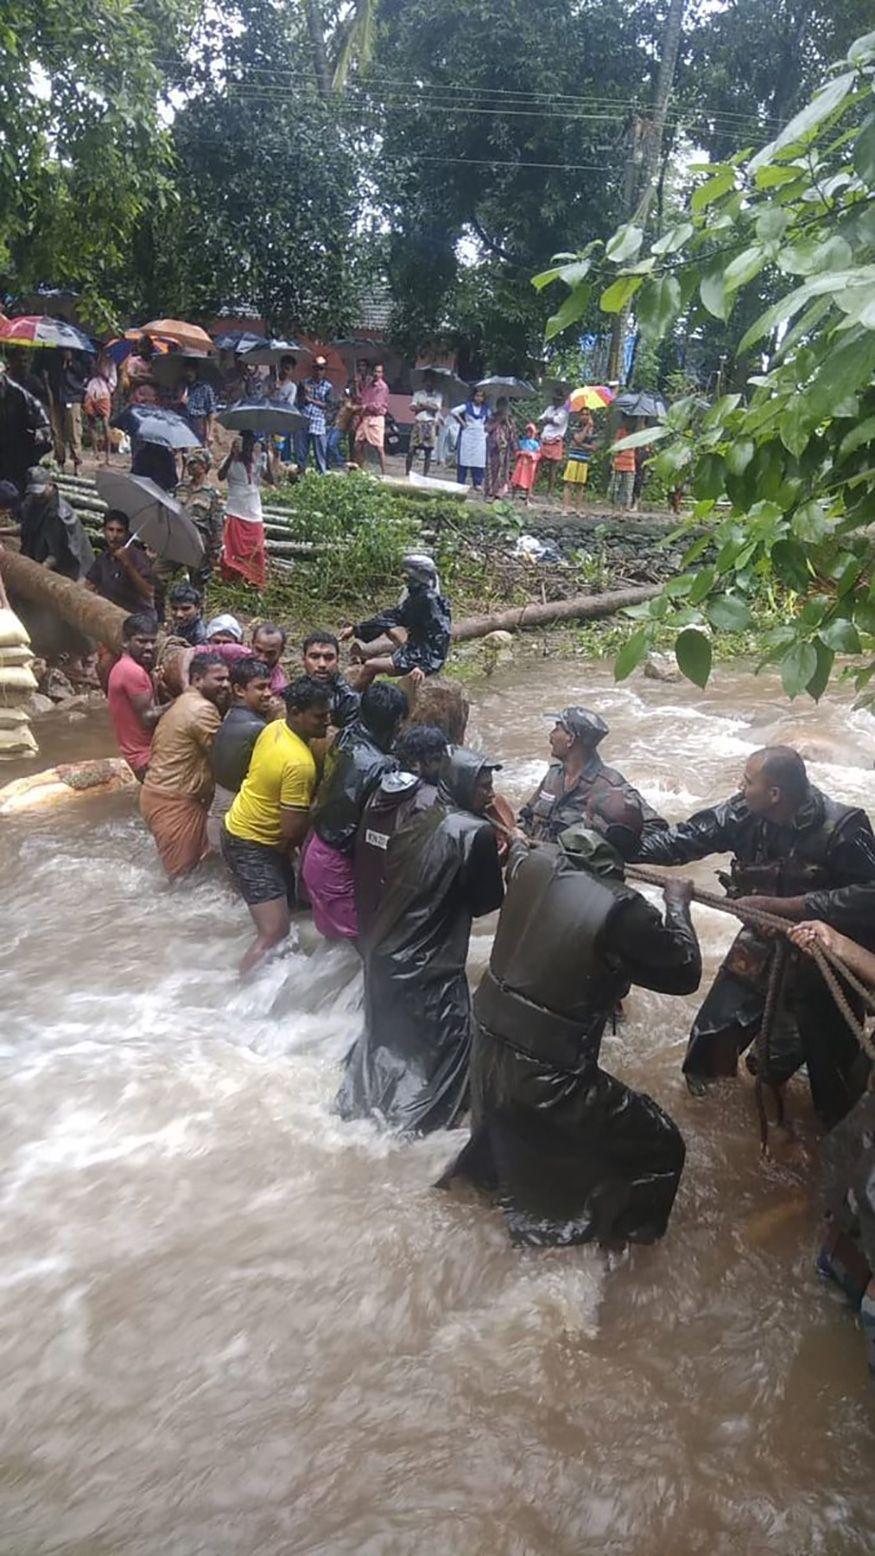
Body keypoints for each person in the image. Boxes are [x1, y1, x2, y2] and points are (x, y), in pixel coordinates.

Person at [439, 798, 701, 1247]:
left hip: (484, 1053)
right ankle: (621, 1245)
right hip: (546, 1076)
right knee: (663, 1146)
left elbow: (524, 856)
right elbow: (685, 972)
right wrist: (677, 905)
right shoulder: (624, 909)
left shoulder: (528, 862)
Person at [635, 746, 875, 1128]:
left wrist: (789, 906)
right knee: (709, 1045)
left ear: (775, 794)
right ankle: (706, 1127)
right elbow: (685, 839)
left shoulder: (843, 828)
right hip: (762, 943)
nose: (739, 786)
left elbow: (870, 894)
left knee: (835, 1089)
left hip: (824, 955)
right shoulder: (742, 813)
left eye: (748, 782)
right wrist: (617, 847)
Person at [337, 746, 505, 1134]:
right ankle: (409, 1132)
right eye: (483, 787)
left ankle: (364, 1120)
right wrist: (500, 860)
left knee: (389, 1048)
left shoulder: (417, 814)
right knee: (442, 1054)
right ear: (462, 785)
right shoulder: (474, 832)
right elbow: (486, 902)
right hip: (427, 965)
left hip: (384, 952)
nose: (490, 795)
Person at [222, 676, 330, 974]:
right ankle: (236, 995)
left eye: (328, 713)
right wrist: (323, 811)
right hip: (252, 844)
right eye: (319, 716)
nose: (327, 722)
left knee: (291, 913)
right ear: (295, 712)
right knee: (274, 932)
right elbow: (291, 830)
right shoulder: (300, 764)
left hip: (239, 825)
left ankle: (281, 981)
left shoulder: (273, 728)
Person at [302, 682, 407, 941]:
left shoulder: (346, 736)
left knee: (337, 943)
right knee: (365, 943)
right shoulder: (382, 767)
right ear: (397, 722)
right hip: (335, 865)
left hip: (317, 849)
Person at [139, 650, 231, 879]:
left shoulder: (184, 701)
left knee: (200, 862)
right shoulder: (201, 709)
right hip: (173, 801)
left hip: (164, 795)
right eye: (219, 679)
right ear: (198, 679)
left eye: (228, 679)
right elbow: (225, 758)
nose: (226, 685)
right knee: (182, 879)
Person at [353, 724, 448, 941]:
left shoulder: (378, 790)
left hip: (370, 911)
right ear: (416, 764)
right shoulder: (429, 802)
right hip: (406, 921)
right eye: (438, 760)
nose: (444, 766)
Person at [519, 706, 665, 846]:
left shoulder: (610, 784)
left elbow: (656, 828)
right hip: (540, 864)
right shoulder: (553, 776)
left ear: (570, 739)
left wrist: (609, 846)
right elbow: (527, 816)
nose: (550, 736)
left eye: (556, 729)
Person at [341, 553, 451, 687]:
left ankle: (352, 703)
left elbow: (441, 635)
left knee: (371, 665)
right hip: (415, 650)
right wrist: (355, 630)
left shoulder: (429, 600)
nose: (404, 577)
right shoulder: (417, 597)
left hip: (421, 656)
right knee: (386, 638)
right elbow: (391, 617)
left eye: (407, 573)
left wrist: (425, 666)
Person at [207, 657, 273, 849]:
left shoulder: (230, 715)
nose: (268, 694)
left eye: (269, 687)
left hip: (218, 814)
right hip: (235, 820)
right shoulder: (257, 728)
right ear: (239, 690)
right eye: (260, 688)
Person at [107, 613, 164, 780]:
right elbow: (148, 717)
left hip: (134, 755)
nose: (148, 647)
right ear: (125, 641)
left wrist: (152, 683)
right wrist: (183, 698)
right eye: (141, 641)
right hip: (145, 758)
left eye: (152, 642)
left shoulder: (123, 667)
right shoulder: (133, 672)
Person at [218, 432, 275, 588]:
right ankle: (233, 581)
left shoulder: (259, 460)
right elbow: (220, 476)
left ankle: (255, 582)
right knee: (232, 549)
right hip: (235, 511)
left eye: (251, 444)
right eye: (246, 444)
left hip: (254, 512)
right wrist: (231, 455)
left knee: (256, 550)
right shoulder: (230, 461)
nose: (248, 448)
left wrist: (268, 461)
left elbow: (271, 480)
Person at [18, 466, 94, 579]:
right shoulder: (34, 502)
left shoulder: (61, 515)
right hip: (43, 556)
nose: (37, 496)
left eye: (40, 492)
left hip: (70, 566)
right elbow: (26, 527)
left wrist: (36, 571)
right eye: (34, 493)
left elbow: (58, 553)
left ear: (50, 485)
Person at [86, 510, 155, 614]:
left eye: (119, 531)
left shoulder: (138, 558)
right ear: (104, 531)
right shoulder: (104, 557)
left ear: (127, 534)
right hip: (110, 613)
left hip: (136, 617)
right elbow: (89, 584)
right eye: (110, 530)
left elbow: (149, 592)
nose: (114, 536)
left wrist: (127, 564)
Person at [0, 360, 51, 493]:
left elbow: (43, 423)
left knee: (19, 485)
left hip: (20, 447)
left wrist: (38, 436)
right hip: (3, 446)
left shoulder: (20, 394)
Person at [175, 450, 223, 590]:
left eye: (194, 463)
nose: (190, 466)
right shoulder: (180, 489)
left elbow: (217, 524)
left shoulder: (212, 494)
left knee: (198, 583)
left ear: (203, 467)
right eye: (189, 463)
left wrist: (215, 551)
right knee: (158, 575)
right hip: (176, 539)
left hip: (198, 543)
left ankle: (197, 609)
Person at [301, 630, 359, 728]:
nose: (322, 664)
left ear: (337, 660)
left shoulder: (348, 699)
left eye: (328, 658)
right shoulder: (297, 688)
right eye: (315, 657)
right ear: (304, 660)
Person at [48, 349, 86, 473]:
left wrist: (71, 361)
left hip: (73, 395)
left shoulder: (80, 352)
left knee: (74, 430)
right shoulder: (53, 353)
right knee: (56, 430)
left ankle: (77, 462)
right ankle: (59, 460)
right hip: (56, 395)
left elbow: (85, 372)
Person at [298, 356, 333, 474]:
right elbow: (299, 402)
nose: (318, 372)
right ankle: (301, 474)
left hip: (318, 420)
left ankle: (321, 476)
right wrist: (304, 393)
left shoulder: (328, 386)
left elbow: (328, 405)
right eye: (316, 369)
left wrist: (311, 400)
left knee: (320, 453)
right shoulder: (304, 383)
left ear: (324, 370)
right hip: (304, 419)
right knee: (302, 451)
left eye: (321, 369)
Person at [354, 364, 390, 474]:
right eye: (375, 371)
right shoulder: (368, 386)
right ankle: (360, 470)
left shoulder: (382, 387)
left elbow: (377, 405)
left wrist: (365, 406)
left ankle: (384, 473)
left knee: (379, 447)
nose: (376, 374)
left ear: (382, 374)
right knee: (358, 444)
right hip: (366, 417)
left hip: (376, 418)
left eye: (379, 372)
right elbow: (361, 398)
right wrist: (356, 385)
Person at [406, 372, 444, 477]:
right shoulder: (418, 394)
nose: (429, 383)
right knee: (411, 449)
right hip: (418, 423)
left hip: (430, 424)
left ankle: (425, 475)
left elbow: (436, 408)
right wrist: (427, 406)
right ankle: (407, 473)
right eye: (427, 381)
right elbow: (412, 408)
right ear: (424, 382)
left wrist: (422, 405)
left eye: (431, 381)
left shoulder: (438, 395)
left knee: (428, 451)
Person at [452, 388, 489, 489]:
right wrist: (462, 422)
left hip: (479, 436)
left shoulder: (486, 409)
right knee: (464, 458)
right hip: (467, 434)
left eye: (481, 396)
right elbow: (454, 412)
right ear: (473, 396)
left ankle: (477, 482)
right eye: (477, 395)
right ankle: (461, 481)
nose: (479, 398)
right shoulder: (466, 406)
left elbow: (491, 419)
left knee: (479, 459)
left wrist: (486, 427)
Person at [484, 397, 518, 499]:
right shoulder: (492, 417)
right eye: (500, 405)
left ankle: (500, 491)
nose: (502, 408)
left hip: (505, 448)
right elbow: (487, 429)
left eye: (504, 406)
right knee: (492, 468)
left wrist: (507, 422)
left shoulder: (510, 419)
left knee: (503, 469)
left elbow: (513, 433)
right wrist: (498, 421)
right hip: (493, 446)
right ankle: (490, 490)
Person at [537, 390, 569, 496]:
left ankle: (550, 491)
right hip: (545, 438)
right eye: (555, 399)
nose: (556, 401)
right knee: (538, 464)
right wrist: (548, 419)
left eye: (558, 399)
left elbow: (558, 421)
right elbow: (540, 419)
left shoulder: (564, 411)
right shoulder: (549, 408)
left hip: (556, 439)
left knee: (552, 467)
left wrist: (548, 419)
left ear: (562, 400)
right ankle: (533, 487)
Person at [83, 356, 115, 464]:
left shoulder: (110, 361)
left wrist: (101, 372)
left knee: (106, 423)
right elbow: (85, 376)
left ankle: (108, 455)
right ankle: (95, 452)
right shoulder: (91, 358)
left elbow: (112, 380)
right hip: (91, 390)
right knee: (91, 423)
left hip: (103, 392)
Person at [562, 413, 597, 511]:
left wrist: (581, 445)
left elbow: (594, 447)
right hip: (573, 459)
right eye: (583, 414)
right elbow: (578, 439)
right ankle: (565, 508)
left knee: (580, 485)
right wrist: (586, 428)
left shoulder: (592, 431)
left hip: (584, 460)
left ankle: (578, 509)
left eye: (587, 414)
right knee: (569, 484)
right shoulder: (574, 427)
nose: (585, 416)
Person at [182, 366, 218, 447]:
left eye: (190, 370)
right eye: (186, 370)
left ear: (196, 371)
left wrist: (210, 433)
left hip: (199, 423)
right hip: (184, 423)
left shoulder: (205, 388)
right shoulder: (183, 386)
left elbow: (211, 410)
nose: (188, 373)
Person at [511, 422, 540, 505]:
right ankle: (513, 497)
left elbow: (538, 454)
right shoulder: (522, 442)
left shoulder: (535, 444)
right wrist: (520, 453)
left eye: (531, 432)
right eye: (527, 432)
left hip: (530, 465)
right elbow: (517, 452)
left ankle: (527, 499)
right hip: (521, 463)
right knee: (516, 479)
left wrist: (531, 455)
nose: (529, 434)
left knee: (529, 481)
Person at [608, 424, 637, 508]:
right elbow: (616, 446)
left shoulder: (635, 434)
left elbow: (634, 447)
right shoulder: (620, 431)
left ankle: (623, 510)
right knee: (615, 488)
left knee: (627, 490)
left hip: (629, 465)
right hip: (619, 464)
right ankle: (615, 509)